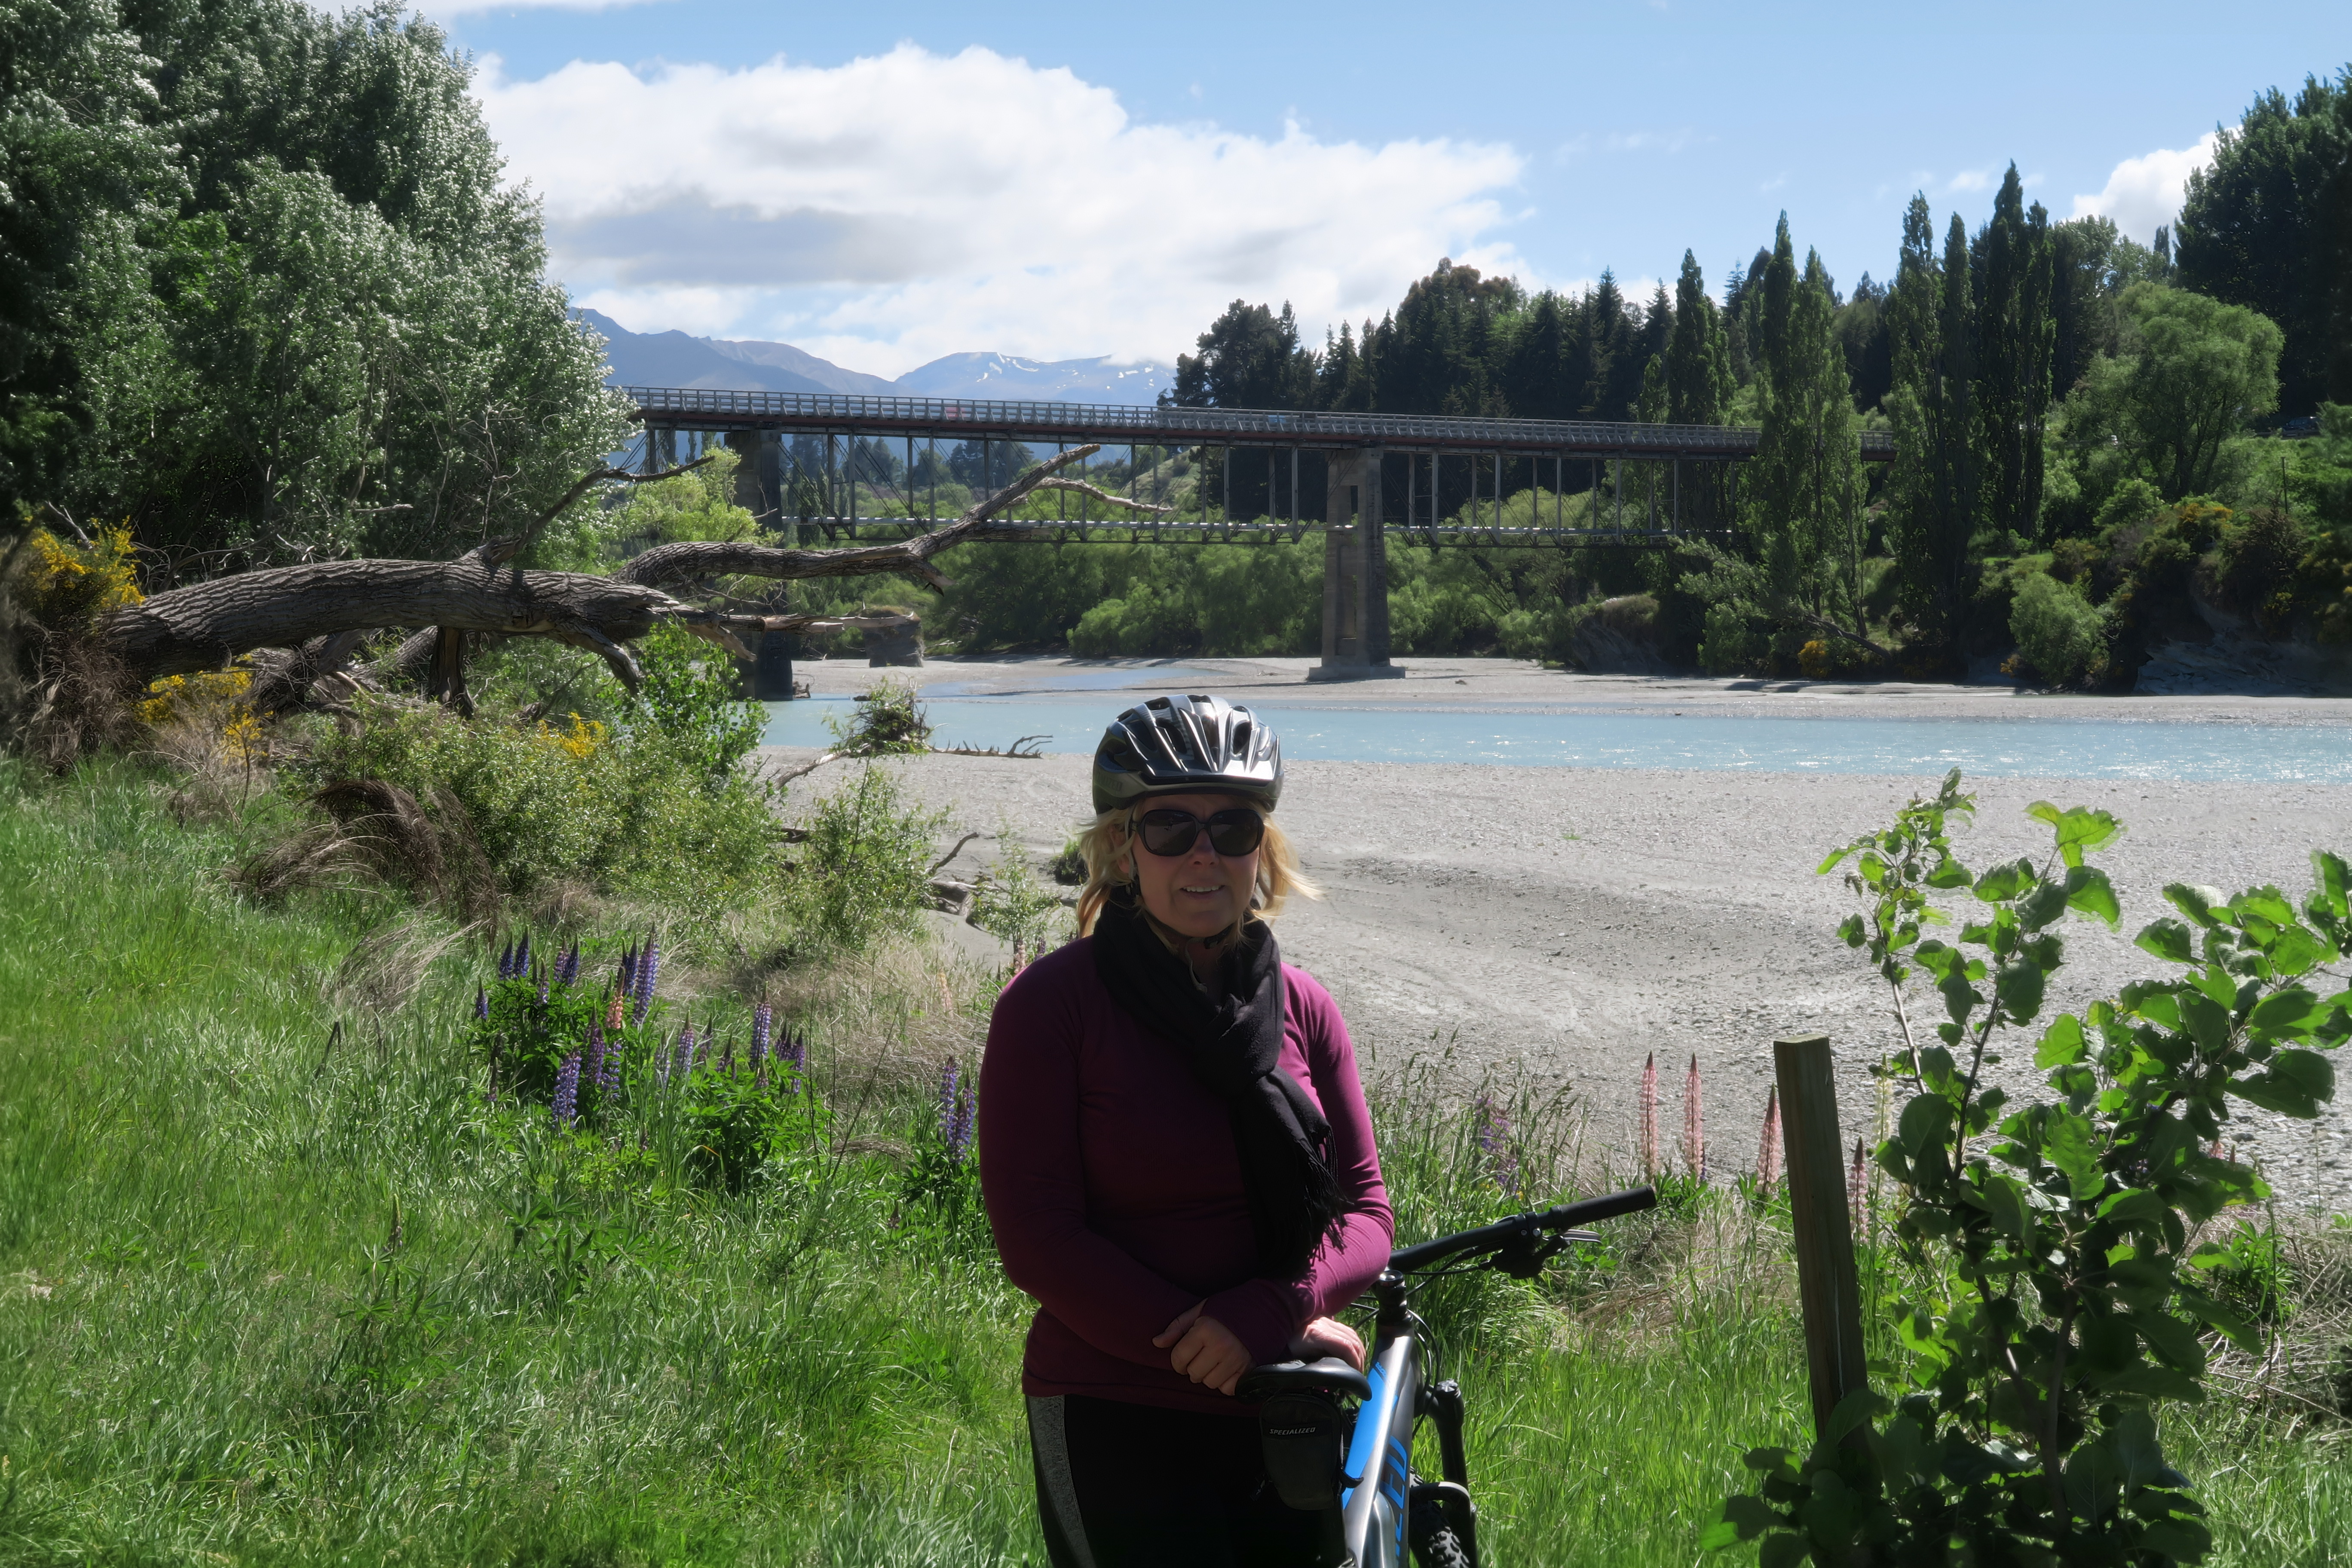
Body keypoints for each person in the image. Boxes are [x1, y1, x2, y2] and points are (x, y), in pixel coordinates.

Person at [979, 694, 1395, 1568]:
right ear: (1123, 850)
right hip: (1113, 1404)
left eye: (1233, 828)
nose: (1204, 854)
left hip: (1287, 1402)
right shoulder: (1051, 1007)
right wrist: (1208, 1344)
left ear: (1262, 849)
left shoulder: (1306, 1009)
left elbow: (1366, 1213)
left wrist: (1275, 1310)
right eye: (1170, 827)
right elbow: (1039, 1237)